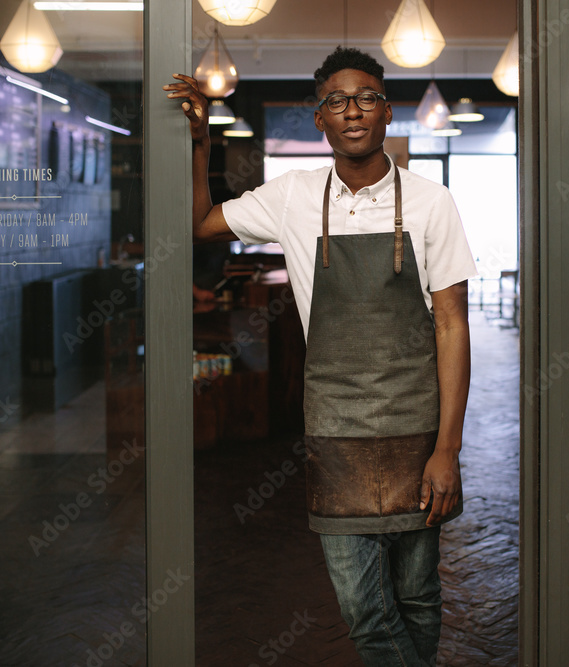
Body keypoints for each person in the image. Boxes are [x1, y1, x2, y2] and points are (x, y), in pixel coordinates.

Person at [164, 47, 475, 666]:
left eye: (365, 98)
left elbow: (452, 326)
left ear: (387, 113)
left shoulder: (431, 202)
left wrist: (448, 449)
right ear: (320, 120)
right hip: (334, 428)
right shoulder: (293, 198)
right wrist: (200, 139)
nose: (352, 110)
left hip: (417, 428)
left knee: (416, 595)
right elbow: (200, 221)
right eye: (336, 100)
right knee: (364, 608)